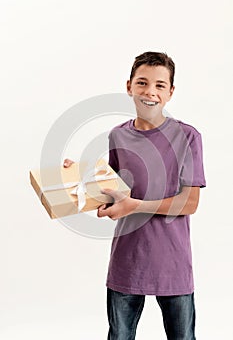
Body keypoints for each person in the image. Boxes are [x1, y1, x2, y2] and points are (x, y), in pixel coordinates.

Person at [64, 51, 206, 340]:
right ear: (129, 86)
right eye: (142, 83)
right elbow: (115, 192)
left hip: (172, 264)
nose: (149, 92)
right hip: (127, 261)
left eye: (159, 85)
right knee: (120, 336)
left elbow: (189, 202)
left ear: (170, 92)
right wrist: (79, 178)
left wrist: (133, 206)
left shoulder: (188, 137)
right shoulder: (118, 135)